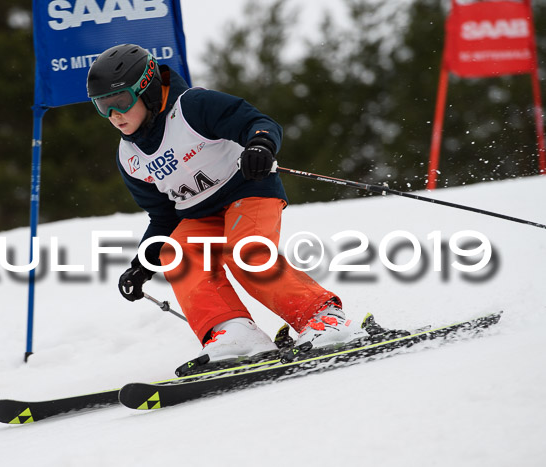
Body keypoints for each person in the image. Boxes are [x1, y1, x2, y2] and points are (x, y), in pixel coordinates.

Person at [86, 44, 363, 362]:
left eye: (120, 102)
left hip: (248, 191)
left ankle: (322, 318)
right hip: (200, 214)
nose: (114, 115)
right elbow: (162, 217)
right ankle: (233, 331)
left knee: (244, 251)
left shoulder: (193, 107)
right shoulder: (130, 158)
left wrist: (260, 145)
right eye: (102, 106)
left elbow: (257, 123)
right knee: (175, 251)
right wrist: (142, 266)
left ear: (147, 90)